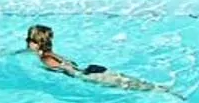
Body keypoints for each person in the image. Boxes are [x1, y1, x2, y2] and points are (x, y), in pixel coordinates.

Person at [23, 24, 162, 91]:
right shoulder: (51, 54)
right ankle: (163, 89)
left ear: (35, 43)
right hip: (91, 69)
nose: (26, 42)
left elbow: (70, 71)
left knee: (132, 86)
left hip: (88, 75)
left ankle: (162, 90)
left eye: (28, 40)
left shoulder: (46, 59)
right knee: (136, 84)